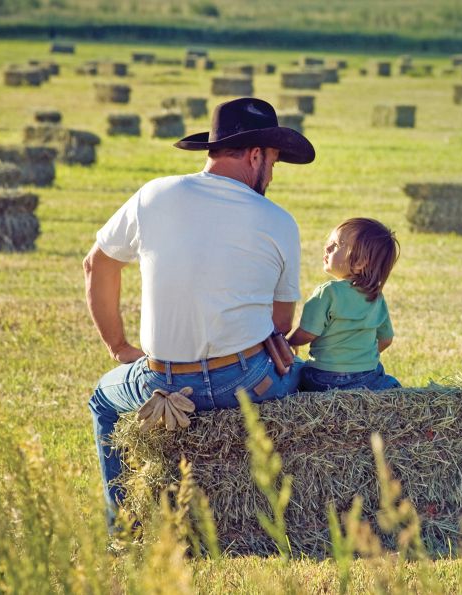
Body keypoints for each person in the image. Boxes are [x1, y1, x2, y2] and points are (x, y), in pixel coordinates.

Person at [84, 97, 315, 529]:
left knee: (103, 398)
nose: (272, 174)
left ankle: (122, 527)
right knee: (304, 374)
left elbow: (98, 264)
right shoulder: (279, 220)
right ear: (255, 155)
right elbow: (282, 324)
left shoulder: (153, 194)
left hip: (160, 381)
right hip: (246, 383)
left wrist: (120, 347)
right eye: (275, 162)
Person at [288, 218, 401, 391]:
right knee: (391, 384)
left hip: (322, 377)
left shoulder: (328, 292)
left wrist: (290, 341)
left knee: (295, 372)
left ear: (360, 263)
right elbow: (386, 339)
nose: (327, 248)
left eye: (336, 245)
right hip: (367, 377)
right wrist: (359, 360)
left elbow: (307, 333)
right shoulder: (376, 298)